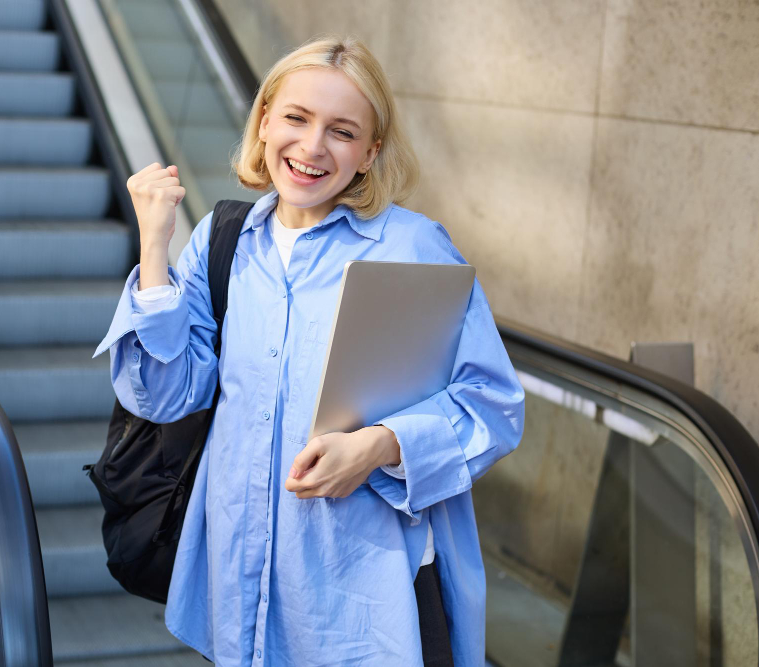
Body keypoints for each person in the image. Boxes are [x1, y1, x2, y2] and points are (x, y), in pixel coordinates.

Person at [94, 35, 525, 667]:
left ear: (370, 152)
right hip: (240, 593)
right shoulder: (224, 241)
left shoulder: (411, 247)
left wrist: (380, 446)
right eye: (296, 117)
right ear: (265, 119)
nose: (313, 146)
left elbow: (493, 406)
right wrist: (154, 247)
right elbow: (165, 394)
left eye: (343, 131)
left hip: (365, 608)